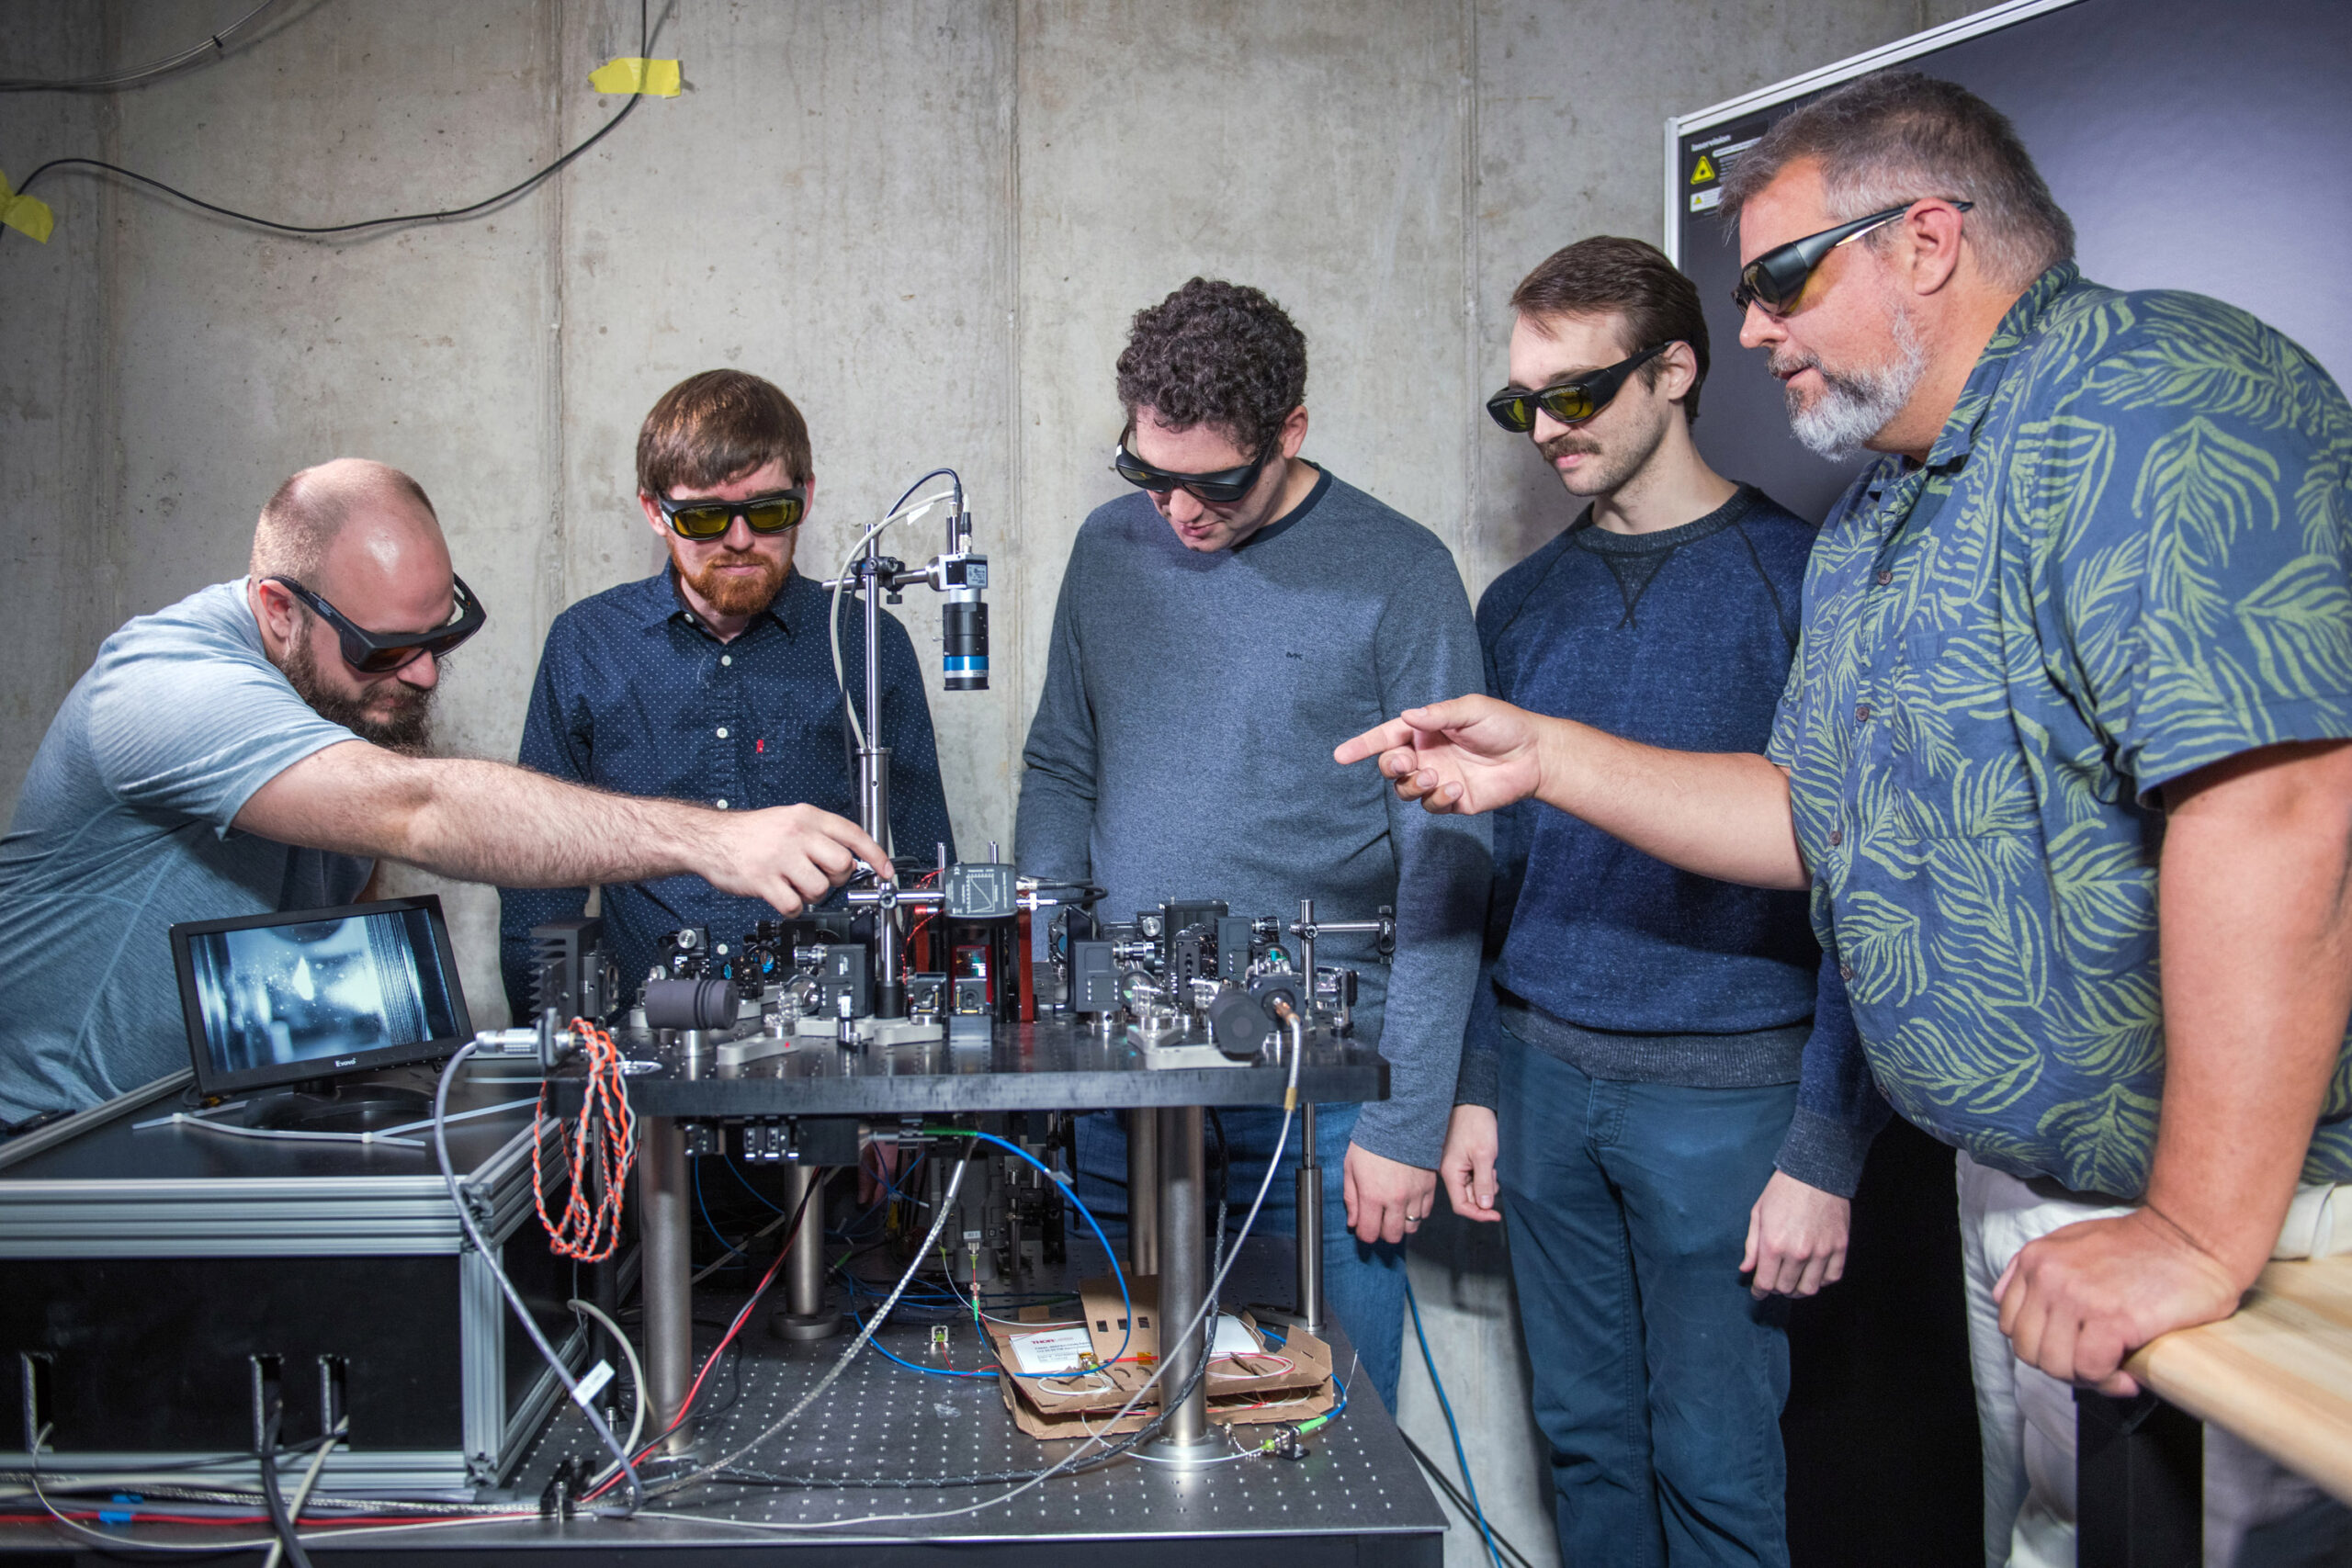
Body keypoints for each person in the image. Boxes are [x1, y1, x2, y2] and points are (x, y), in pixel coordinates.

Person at [1340, 72, 2352, 1568]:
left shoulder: (2149, 397)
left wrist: (2196, 1230)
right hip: (2019, 1194)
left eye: (1781, 281)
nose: (1752, 330)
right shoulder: (1883, 518)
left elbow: (2282, 806)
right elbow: (1817, 820)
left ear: (1927, 239)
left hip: (2238, 1213)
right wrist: (1544, 756)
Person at [0, 458, 889, 1134]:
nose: (423, 674)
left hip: (206, 1125)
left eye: (441, 637)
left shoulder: (326, 691)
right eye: (388, 650)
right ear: (279, 608)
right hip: (70, 1142)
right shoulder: (165, 687)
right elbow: (417, 810)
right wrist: (714, 841)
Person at [1440, 235, 1883, 1567]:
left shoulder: (1804, 582)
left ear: (1677, 369)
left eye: (1576, 394)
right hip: (1541, 1082)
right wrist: (1476, 1080)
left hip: (1730, 1098)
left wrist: (1823, 1143)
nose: (1545, 429)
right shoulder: (1519, 605)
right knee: (1583, 1441)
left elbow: (1868, 885)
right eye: (1522, 402)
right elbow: (1491, 868)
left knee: (1718, 1466)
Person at [1016, 277, 1490, 1411]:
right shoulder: (1106, 550)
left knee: (1322, 1432)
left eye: (1214, 480)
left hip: (1322, 1093)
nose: (1177, 509)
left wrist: (1407, 1115)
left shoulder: (1401, 573)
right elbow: (1060, 767)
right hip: (1122, 1070)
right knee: (1115, 1420)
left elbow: (1451, 861)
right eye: (1149, 471)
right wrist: (1043, 992)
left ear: (1291, 433)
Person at [498, 370, 954, 1011]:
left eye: (769, 512)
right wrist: (552, 1051)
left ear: (807, 496)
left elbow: (923, 864)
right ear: (655, 510)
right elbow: (536, 874)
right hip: (642, 1043)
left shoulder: (866, 641)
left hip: (831, 1037)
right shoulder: (588, 642)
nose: (740, 540)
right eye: (706, 518)